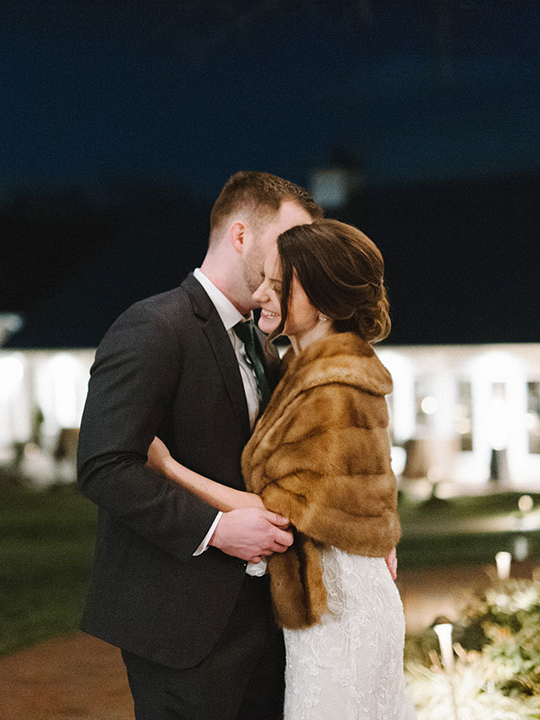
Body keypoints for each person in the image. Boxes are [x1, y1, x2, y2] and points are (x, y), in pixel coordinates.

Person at [77, 171, 322, 719]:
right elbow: (104, 465)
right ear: (240, 235)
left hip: (267, 620)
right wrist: (214, 529)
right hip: (179, 621)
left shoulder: (266, 342)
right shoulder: (153, 326)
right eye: (288, 244)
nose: (299, 261)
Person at [149, 218, 416, 719]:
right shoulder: (301, 371)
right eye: (264, 280)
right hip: (324, 606)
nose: (261, 293)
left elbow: (281, 515)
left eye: (279, 283)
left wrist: (169, 469)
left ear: (324, 296)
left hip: (340, 612)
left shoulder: (334, 386)